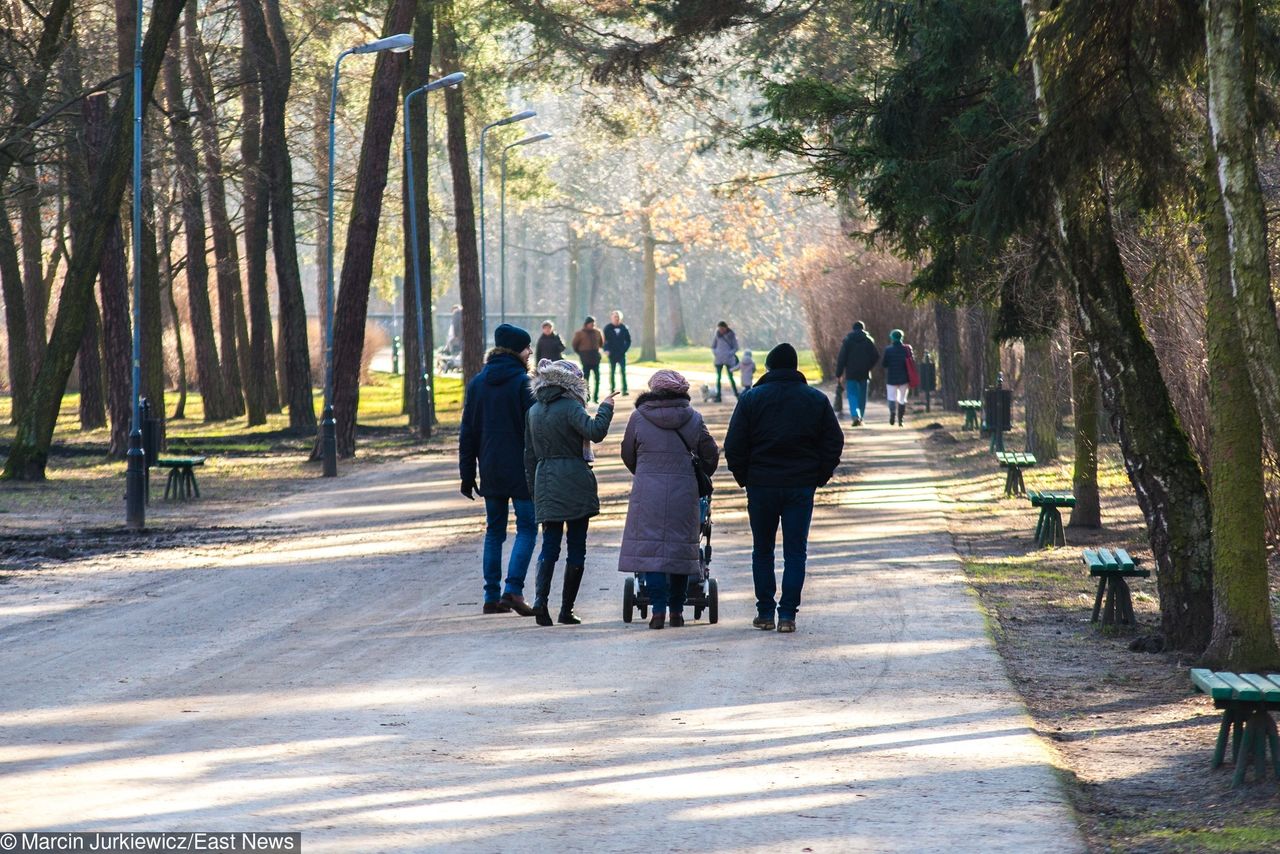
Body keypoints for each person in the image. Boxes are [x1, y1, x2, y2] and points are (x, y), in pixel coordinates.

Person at [724, 343, 844, 634]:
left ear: (768, 368)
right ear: (795, 367)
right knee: (795, 552)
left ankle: (765, 611)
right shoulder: (815, 399)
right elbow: (834, 442)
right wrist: (818, 475)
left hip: (761, 485)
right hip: (799, 486)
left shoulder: (751, 399)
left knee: (762, 550)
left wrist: (746, 477)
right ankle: (788, 614)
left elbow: (734, 445)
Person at [618, 370, 719, 630]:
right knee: (679, 551)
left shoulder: (639, 417)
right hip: (683, 493)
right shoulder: (694, 418)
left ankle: (658, 611)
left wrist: (645, 472)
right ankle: (677, 610)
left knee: (652, 551)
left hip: (647, 493)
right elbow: (710, 455)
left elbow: (628, 454)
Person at [524, 359, 617, 626]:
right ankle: (566, 609)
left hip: (545, 481)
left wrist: (534, 492)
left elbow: (528, 455)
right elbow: (595, 432)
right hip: (574, 480)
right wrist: (606, 408)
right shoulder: (570, 407)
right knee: (576, 546)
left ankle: (541, 602)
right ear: (573, 382)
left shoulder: (533, 411)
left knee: (549, 546)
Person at [458, 324, 538, 616]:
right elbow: (535, 429)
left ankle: (491, 596)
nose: (530, 352)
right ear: (517, 350)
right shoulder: (523, 384)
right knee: (528, 528)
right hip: (522, 469)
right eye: (528, 348)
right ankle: (513, 590)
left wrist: (467, 474)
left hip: (490, 467)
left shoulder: (478, 383)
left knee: (494, 531)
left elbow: (468, 432)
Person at [834, 320, 880, 427]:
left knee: (852, 395)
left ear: (853, 329)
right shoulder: (868, 340)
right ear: (863, 329)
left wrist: (839, 373)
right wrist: (868, 367)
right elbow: (876, 356)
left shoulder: (848, 341)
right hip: (864, 373)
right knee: (862, 396)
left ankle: (855, 415)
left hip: (851, 373)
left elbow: (842, 358)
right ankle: (861, 417)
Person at [571, 316, 605, 402]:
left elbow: (601, 344)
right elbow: (575, 345)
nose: (592, 325)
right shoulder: (580, 333)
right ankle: (586, 396)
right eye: (591, 323)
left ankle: (596, 397)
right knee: (586, 379)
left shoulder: (597, 332)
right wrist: (581, 354)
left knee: (597, 378)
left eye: (593, 323)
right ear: (586, 324)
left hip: (595, 358)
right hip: (585, 358)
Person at [881, 328, 911, 425]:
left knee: (891, 397)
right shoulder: (907, 349)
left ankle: (892, 413)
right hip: (904, 378)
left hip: (891, 378)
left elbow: (884, 364)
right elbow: (911, 362)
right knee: (902, 399)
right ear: (901, 338)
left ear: (892, 338)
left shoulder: (888, 350)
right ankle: (901, 419)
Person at [603, 310, 632, 396]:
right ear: (611, 318)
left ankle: (625, 390)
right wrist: (606, 350)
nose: (616, 319)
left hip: (621, 354)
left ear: (620, 318)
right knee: (612, 372)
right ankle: (612, 389)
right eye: (615, 317)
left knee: (623, 372)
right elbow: (604, 341)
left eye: (618, 317)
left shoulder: (624, 328)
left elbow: (628, 341)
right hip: (612, 354)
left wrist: (624, 349)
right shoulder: (607, 328)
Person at [710, 321, 739, 402]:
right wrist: (716, 353)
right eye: (719, 329)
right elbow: (713, 346)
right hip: (718, 360)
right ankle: (718, 396)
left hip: (729, 360)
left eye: (722, 329)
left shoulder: (731, 335)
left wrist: (729, 353)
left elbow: (736, 347)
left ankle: (737, 395)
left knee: (731, 378)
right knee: (718, 378)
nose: (721, 330)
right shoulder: (717, 335)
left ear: (726, 328)